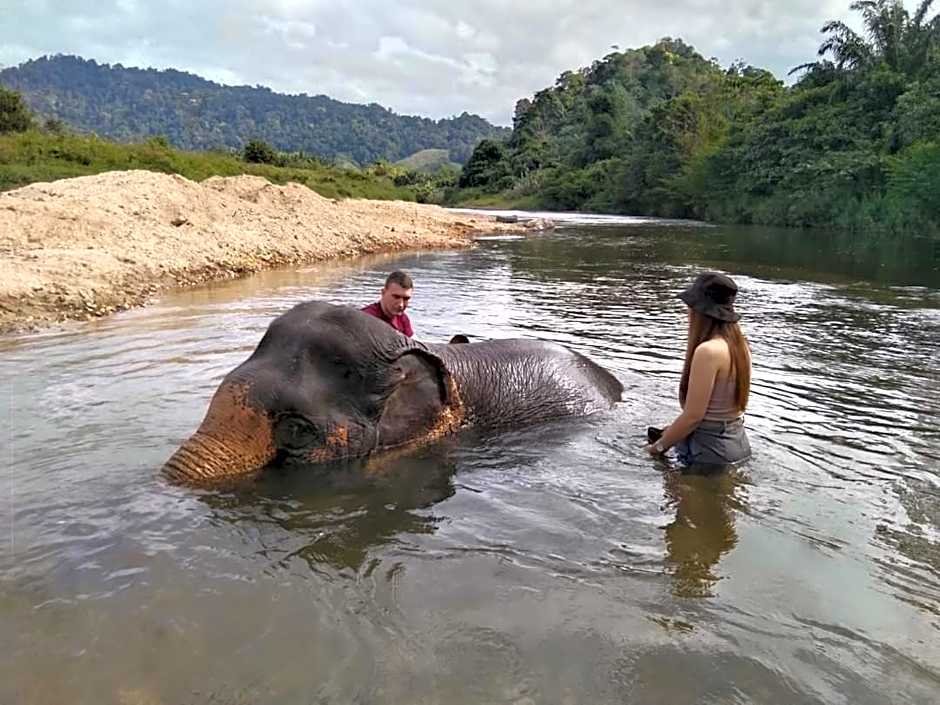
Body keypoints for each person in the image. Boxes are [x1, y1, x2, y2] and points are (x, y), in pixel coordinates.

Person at [647, 272, 752, 468]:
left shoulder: (708, 352)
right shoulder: (741, 346)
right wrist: (671, 432)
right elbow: (721, 409)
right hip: (737, 442)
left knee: (676, 496)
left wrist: (657, 448)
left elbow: (693, 417)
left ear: (699, 311)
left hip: (708, 451)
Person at [362, 270, 414, 337]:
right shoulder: (366, 318)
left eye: (406, 299)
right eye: (396, 297)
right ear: (383, 293)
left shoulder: (403, 319)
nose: (401, 304)